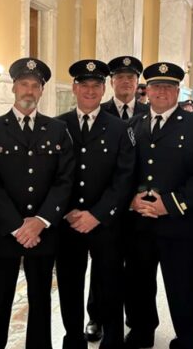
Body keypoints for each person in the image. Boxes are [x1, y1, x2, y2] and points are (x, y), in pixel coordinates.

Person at [0, 58, 75, 349]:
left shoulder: (57, 130)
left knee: (40, 301)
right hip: (3, 232)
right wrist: (16, 226)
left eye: (36, 85)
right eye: (24, 83)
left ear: (42, 91)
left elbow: (65, 180)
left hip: (43, 232)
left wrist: (40, 221)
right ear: (13, 87)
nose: (29, 90)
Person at [125, 62, 193, 349]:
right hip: (139, 221)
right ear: (146, 91)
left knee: (184, 285)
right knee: (139, 283)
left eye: (168, 87)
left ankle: (188, 339)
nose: (161, 92)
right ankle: (141, 331)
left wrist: (171, 205)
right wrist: (130, 199)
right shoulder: (133, 125)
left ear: (178, 91)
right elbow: (123, 169)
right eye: (156, 86)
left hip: (181, 222)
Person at [56, 59, 136, 349]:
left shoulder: (119, 128)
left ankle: (112, 341)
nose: (90, 91)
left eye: (96, 85)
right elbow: (52, 175)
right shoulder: (58, 125)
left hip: (106, 224)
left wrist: (97, 214)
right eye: (84, 85)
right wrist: (66, 212)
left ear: (104, 89)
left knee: (109, 285)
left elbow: (124, 178)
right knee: (69, 285)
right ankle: (73, 339)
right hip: (68, 223)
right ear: (75, 88)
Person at [87, 55, 146, 341]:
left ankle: (137, 319)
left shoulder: (150, 111)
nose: (125, 82)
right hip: (105, 204)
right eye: (120, 77)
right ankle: (96, 317)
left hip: (138, 207)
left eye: (131, 78)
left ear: (137, 83)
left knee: (137, 266)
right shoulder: (99, 110)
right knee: (101, 266)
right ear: (111, 83)